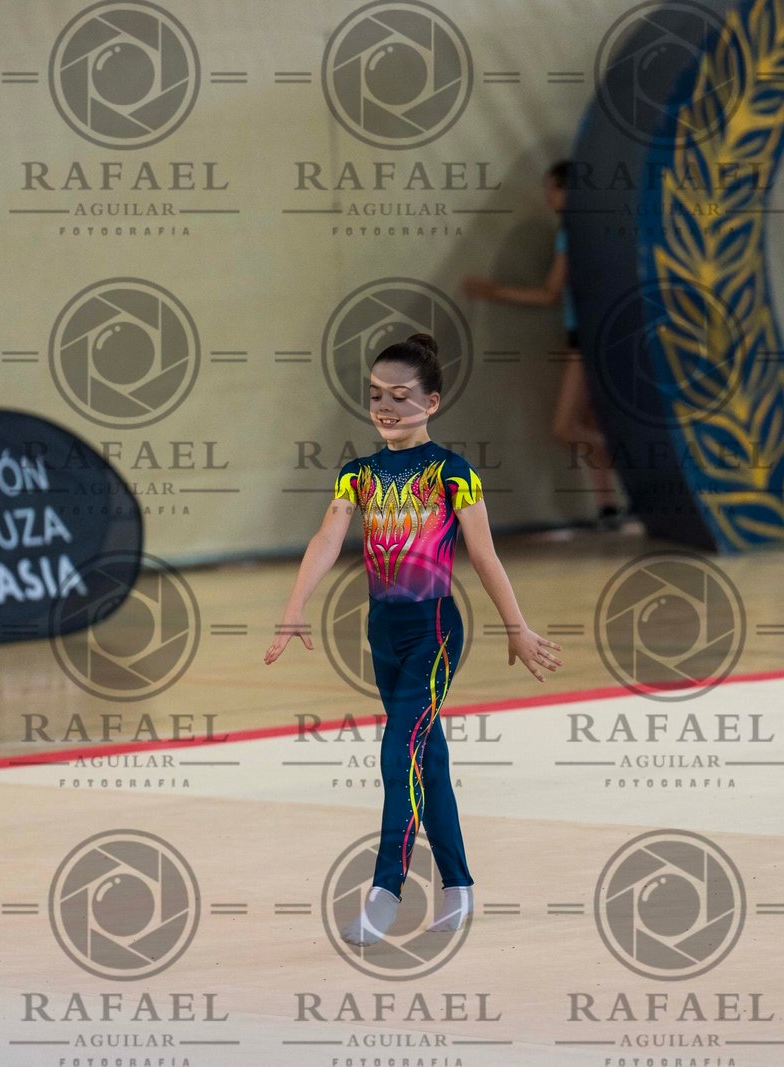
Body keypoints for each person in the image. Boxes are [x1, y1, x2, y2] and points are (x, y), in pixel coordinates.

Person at [263, 332, 562, 946]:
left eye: (400, 397)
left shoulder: (454, 474)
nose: (386, 407)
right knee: (429, 757)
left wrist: (517, 626)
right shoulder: (358, 475)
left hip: (434, 632)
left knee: (399, 752)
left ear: (431, 402)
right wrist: (294, 607)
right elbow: (326, 539)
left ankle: (386, 891)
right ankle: (459, 887)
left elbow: (484, 554)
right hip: (383, 632)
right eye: (377, 394)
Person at [461, 160, 623, 530]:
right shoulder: (595, 230)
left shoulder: (570, 232)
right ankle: (609, 507)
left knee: (565, 428)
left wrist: (491, 291)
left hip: (586, 339)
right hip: (594, 334)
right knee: (588, 423)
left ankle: (633, 463)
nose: (548, 196)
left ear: (569, 191)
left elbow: (550, 293)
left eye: (553, 188)